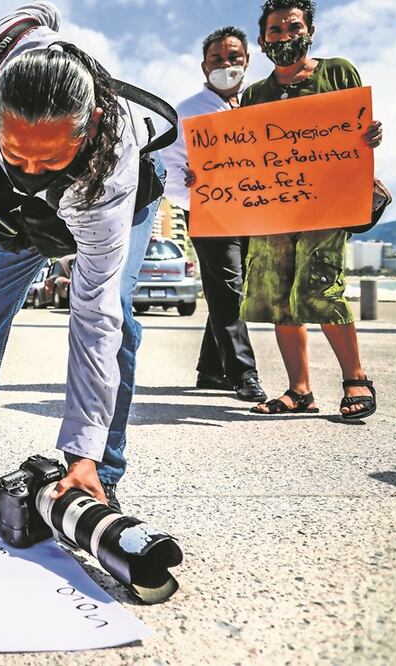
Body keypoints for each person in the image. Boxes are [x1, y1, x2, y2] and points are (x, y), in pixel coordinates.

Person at [0, 2, 169, 511]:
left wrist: (81, 451)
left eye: (49, 158)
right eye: (16, 152)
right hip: (18, 213)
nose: (32, 168)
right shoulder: (1, 52)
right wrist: (25, 171)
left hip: (99, 196)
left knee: (114, 318)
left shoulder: (111, 165)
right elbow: (39, 10)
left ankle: (101, 464)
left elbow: (93, 317)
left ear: (91, 124)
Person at [239, 0, 382, 419]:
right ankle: (299, 390)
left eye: (292, 27)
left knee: (322, 287)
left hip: (326, 206)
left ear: (310, 31)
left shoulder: (337, 71)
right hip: (273, 212)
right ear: (263, 40)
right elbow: (242, 154)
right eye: (275, 31)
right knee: (279, 297)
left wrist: (368, 138)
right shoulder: (254, 95)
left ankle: (356, 378)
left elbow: (355, 130)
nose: (284, 37)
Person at [160, 27, 266, 403]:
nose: (226, 65)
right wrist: (190, 186)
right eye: (217, 59)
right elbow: (170, 168)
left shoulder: (260, 104)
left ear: (247, 61)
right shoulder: (187, 112)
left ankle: (211, 370)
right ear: (204, 66)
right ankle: (243, 374)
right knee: (228, 289)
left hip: (254, 212)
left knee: (229, 291)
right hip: (209, 212)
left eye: (234, 57)